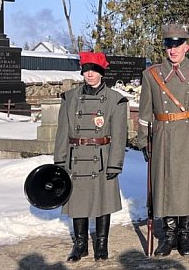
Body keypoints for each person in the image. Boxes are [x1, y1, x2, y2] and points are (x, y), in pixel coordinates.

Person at [137, 23, 189, 256]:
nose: (173, 50)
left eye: (178, 45)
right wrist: (143, 141)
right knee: (166, 185)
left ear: (186, 47)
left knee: (187, 186)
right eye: (169, 45)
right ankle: (168, 235)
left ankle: (185, 235)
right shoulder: (151, 75)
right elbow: (144, 113)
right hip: (163, 136)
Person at [54, 52, 128, 262]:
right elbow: (62, 131)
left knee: (102, 201)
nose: (90, 74)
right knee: (77, 201)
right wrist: (60, 160)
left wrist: (115, 163)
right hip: (75, 157)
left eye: (94, 70)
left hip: (101, 157)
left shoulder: (115, 99)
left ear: (102, 73)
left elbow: (119, 135)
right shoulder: (69, 98)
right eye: (86, 70)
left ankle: (102, 245)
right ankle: (80, 245)